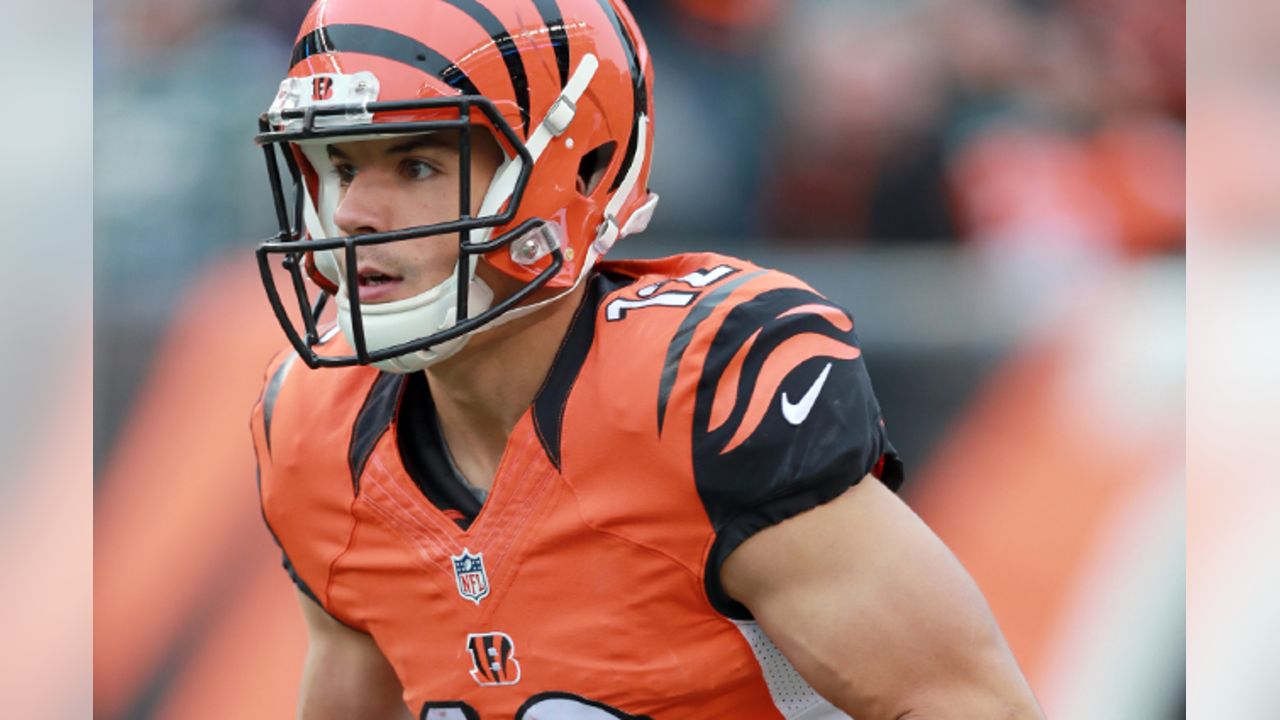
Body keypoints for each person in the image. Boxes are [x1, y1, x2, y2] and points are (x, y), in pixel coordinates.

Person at [249, 1, 1044, 718]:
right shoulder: (318, 432)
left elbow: (971, 706)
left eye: (415, 165)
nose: (351, 214)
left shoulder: (696, 394)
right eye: (343, 166)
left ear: (579, 165)